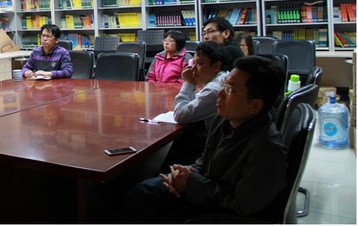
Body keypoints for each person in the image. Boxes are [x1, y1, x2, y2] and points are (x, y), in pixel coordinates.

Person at [122, 55, 287, 223]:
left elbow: (242, 204)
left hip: (218, 211)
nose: (220, 94)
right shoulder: (223, 120)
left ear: (255, 106)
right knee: (143, 190)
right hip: (203, 189)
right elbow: (205, 159)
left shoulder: (267, 149)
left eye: (230, 90)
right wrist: (186, 173)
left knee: (145, 196)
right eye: (224, 85)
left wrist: (191, 183)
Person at [159, 41, 228, 171]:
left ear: (216, 66)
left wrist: (188, 83)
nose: (193, 70)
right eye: (194, 63)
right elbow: (192, 105)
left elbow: (180, 115)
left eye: (200, 64)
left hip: (211, 151)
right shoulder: (219, 79)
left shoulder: (214, 90)